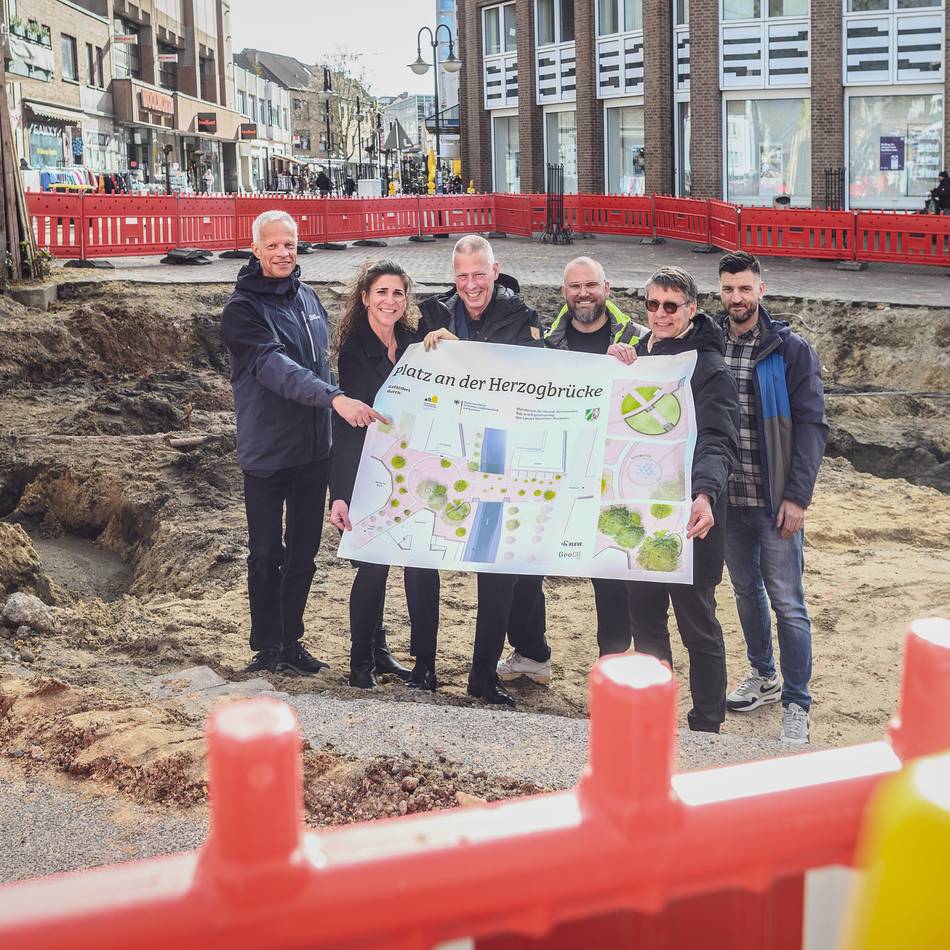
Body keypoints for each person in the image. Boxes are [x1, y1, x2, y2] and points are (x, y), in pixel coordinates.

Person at [220, 210, 384, 675]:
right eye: (272, 245)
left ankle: (291, 641)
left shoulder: (309, 298)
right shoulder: (241, 311)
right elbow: (275, 368)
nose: (282, 253)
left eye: (288, 244)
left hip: (314, 453)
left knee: (303, 556)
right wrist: (335, 398)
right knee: (266, 553)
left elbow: (323, 364)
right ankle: (266, 647)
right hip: (268, 455)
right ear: (255, 250)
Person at [496, 256, 647, 684]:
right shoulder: (547, 343)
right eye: (575, 287)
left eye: (591, 285)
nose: (583, 294)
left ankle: (611, 664)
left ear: (608, 287)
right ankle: (531, 652)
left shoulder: (636, 338)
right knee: (525, 560)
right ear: (564, 293)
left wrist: (637, 362)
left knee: (610, 576)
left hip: (610, 475)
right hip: (556, 473)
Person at [420, 235, 548, 707]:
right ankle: (424, 667)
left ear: (496, 270)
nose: (470, 285)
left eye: (479, 274)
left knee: (497, 569)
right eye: (461, 276)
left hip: (502, 459)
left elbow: (529, 382)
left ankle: (482, 674)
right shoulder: (433, 313)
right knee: (427, 556)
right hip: (449, 455)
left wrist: (466, 353)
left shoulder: (523, 317)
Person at [717, 251, 828, 745]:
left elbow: (812, 427)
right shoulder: (709, 340)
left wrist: (798, 497)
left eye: (745, 289)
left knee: (788, 602)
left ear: (761, 289)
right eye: (728, 289)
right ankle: (763, 676)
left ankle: (797, 702)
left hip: (775, 498)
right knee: (744, 592)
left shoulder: (789, 350)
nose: (736, 298)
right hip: (727, 499)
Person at [628, 266, 739, 734]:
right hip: (640, 515)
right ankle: (656, 718)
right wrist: (621, 361)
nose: (660, 314)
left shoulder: (709, 368)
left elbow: (718, 439)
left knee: (698, 627)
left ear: (691, 310)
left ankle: (708, 723)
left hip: (691, 517)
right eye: (652, 305)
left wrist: (705, 494)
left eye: (670, 306)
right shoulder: (638, 355)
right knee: (647, 626)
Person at [328, 261, 441, 691]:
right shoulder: (355, 350)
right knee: (373, 569)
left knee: (422, 567)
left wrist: (445, 341)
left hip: (414, 471)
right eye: (381, 293)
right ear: (365, 298)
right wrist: (340, 494)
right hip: (369, 473)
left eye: (398, 293)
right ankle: (361, 663)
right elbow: (348, 426)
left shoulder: (414, 342)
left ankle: (424, 665)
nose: (390, 301)